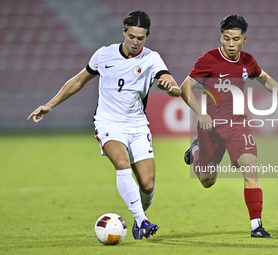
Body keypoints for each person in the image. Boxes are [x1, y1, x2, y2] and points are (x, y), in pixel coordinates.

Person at [27, 10, 181, 239]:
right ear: (124, 32)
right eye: (131, 36)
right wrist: (50, 104)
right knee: (121, 162)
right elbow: (79, 80)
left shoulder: (151, 58)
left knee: (147, 186)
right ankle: (143, 221)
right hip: (108, 122)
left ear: (147, 36)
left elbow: (174, 87)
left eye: (141, 38)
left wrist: (170, 86)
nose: (135, 42)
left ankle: (140, 216)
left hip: (137, 125)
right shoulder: (104, 55)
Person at [180, 14, 278, 238]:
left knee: (250, 167)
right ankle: (196, 151)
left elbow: (265, 79)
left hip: (237, 125)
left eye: (236, 39)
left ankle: (256, 226)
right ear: (221, 37)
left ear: (244, 39)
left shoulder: (248, 61)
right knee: (208, 181)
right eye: (226, 38)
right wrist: (201, 112)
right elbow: (185, 88)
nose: (231, 44)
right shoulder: (208, 59)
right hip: (211, 128)